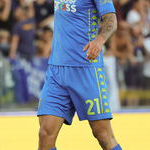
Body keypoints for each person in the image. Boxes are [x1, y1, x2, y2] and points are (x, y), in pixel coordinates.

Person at [37, 0, 122, 150]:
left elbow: (111, 20)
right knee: (45, 133)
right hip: (57, 70)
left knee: (102, 134)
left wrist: (99, 41)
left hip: (86, 69)